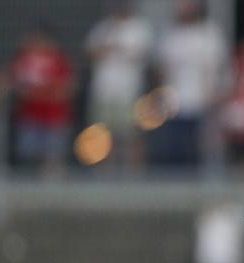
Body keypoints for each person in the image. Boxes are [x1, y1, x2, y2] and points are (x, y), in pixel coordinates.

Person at [0, 24, 74, 173]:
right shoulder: (24, 59)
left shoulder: (57, 59)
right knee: (28, 157)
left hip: (53, 116)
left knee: (52, 157)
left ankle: (52, 191)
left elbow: (66, 87)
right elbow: (8, 78)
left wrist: (41, 92)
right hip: (29, 116)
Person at [153, 0, 227, 166]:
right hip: (174, 104)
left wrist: (215, 96)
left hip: (201, 101)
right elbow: (161, 70)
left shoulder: (209, 34)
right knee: (174, 149)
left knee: (199, 151)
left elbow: (218, 68)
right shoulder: (171, 35)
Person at [84, 1, 152, 169]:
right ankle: (105, 171)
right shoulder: (103, 28)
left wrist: (115, 49)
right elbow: (91, 51)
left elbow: (140, 55)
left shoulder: (139, 28)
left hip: (128, 90)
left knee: (131, 134)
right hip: (104, 90)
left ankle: (132, 171)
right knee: (102, 134)